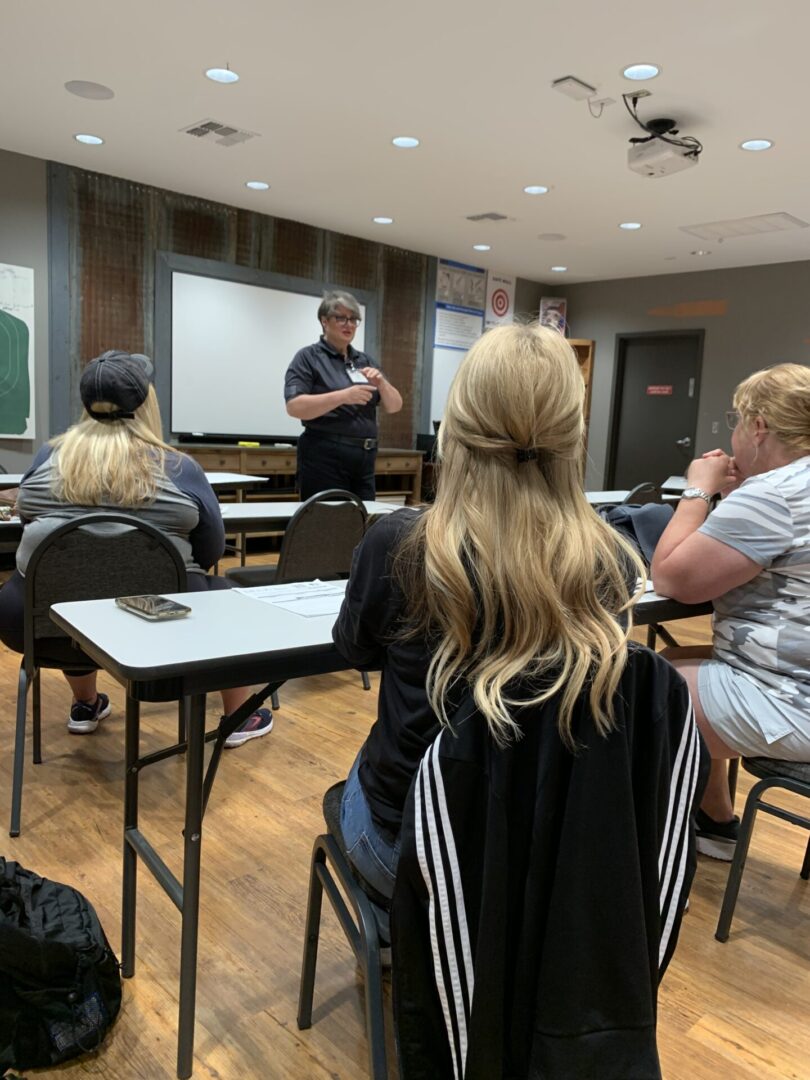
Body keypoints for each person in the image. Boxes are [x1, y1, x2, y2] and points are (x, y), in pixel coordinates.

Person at [333, 323, 706, 1076]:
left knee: (351, 788)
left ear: (455, 432)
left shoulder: (398, 547)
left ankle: (414, 934)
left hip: (411, 840)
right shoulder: (607, 561)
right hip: (548, 850)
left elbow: (354, 652)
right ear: (572, 436)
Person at [0, 350, 272, 749]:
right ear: (147, 403)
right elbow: (212, 547)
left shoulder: (47, 458)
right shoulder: (179, 467)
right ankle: (239, 715)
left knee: (68, 584)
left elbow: (33, 533)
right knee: (228, 597)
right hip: (162, 623)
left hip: (42, 626)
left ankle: (86, 704)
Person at [652, 362, 810, 860]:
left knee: (631, 683)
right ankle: (713, 819)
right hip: (796, 681)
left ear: (759, 427)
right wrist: (738, 495)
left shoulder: (777, 493)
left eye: (737, 422)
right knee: (686, 664)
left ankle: (643, 847)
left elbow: (672, 577)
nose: (736, 433)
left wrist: (696, 490)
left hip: (791, 703)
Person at [284, 290, 402, 500]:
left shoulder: (364, 360)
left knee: (364, 522)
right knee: (329, 523)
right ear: (324, 321)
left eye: (353, 319)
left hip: (364, 458)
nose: (349, 324)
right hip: (324, 456)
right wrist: (342, 396)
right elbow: (294, 406)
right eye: (341, 318)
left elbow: (395, 406)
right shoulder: (307, 358)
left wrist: (382, 383)